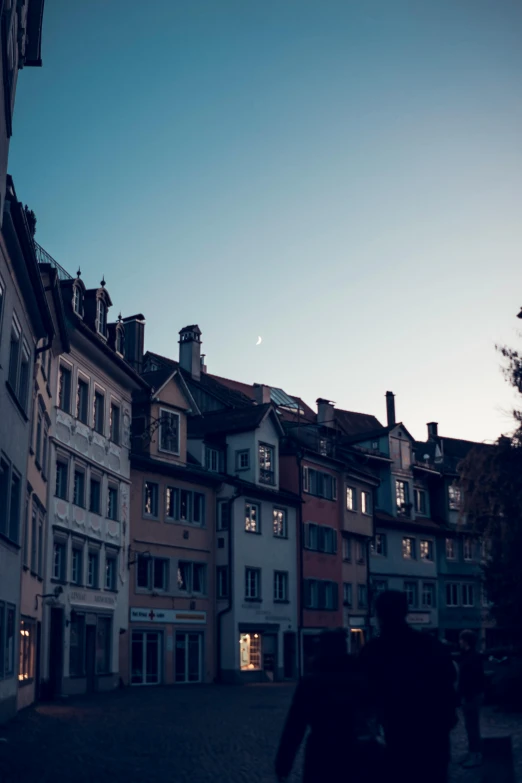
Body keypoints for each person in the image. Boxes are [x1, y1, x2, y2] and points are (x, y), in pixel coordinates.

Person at [359, 590, 459, 783]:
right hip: (433, 737)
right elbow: (449, 683)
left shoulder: (373, 651)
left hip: (397, 738)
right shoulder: (431, 645)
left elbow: (364, 697)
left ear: (379, 615)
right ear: (405, 611)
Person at [275, 629, 377, 783]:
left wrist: (283, 765)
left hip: (321, 751)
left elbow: (294, 727)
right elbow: (372, 715)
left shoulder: (311, 682)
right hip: (353, 751)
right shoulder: (358, 678)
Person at [458, 629, 485, 769]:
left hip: (472, 696)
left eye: (461, 639)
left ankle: (476, 755)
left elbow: (473, 679)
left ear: (466, 641)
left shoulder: (473, 657)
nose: (459, 642)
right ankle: (472, 752)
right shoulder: (467, 655)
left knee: (473, 726)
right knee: (470, 726)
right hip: (469, 696)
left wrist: (467, 696)